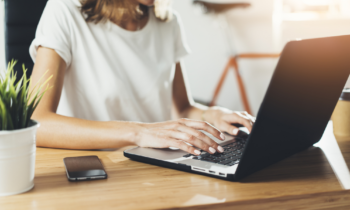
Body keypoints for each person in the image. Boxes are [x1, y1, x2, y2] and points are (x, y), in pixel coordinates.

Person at [29, 0, 255, 156]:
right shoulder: (65, 11)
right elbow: (35, 123)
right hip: (99, 168)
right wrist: (138, 132)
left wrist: (211, 114)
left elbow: (183, 109)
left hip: (155, 166)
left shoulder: (168, 23)